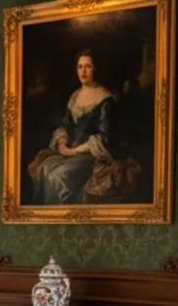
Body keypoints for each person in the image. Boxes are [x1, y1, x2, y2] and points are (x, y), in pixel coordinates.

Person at [28, 48, 121, 205]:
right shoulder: (75, 96)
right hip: (70, 152)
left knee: (57, 176)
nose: (83, 71)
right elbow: (65, 124)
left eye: (88, 66)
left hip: (90, 155)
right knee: (44, 167)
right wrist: (63, 143)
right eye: (80, 66)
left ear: (95, 69)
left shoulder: (105, 99)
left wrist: (75, 150)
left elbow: (106, 138)